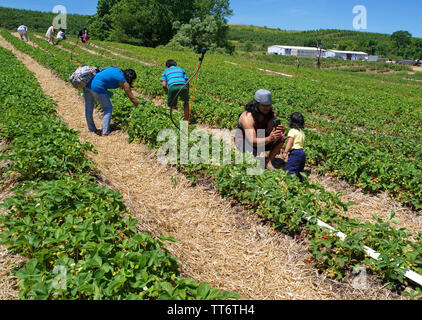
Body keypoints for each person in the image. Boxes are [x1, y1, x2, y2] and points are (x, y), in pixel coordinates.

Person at [234, 89, 286, 170]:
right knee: (254, 160)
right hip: (244, 140)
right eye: (264, 105)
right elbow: (252, 141)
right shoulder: (247, 117)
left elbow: (269, 131)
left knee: (281, 137)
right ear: (256, 104)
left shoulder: (271, 114)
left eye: (269, 105)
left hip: (260, 138)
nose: (267, 108)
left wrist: (277, 132)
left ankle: (268, 162)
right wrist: (269, 138)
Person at [84, 67, 140, 136]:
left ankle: (91, 129)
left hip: (88, 84)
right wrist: (141, 106)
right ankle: (105, 132)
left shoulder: (116, 69)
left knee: (89, 107)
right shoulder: (124, 81)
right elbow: (132, 98)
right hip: (97, 87)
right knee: (108, 108)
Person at [282, 112, 306, 181]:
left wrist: (285, 152)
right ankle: (300, 182)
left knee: (290, 169)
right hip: (302, 153)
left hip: (295, 152)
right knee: (299, 170)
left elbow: (290, 142)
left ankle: (290, 183)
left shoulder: (292, 131)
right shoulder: (302, 132)